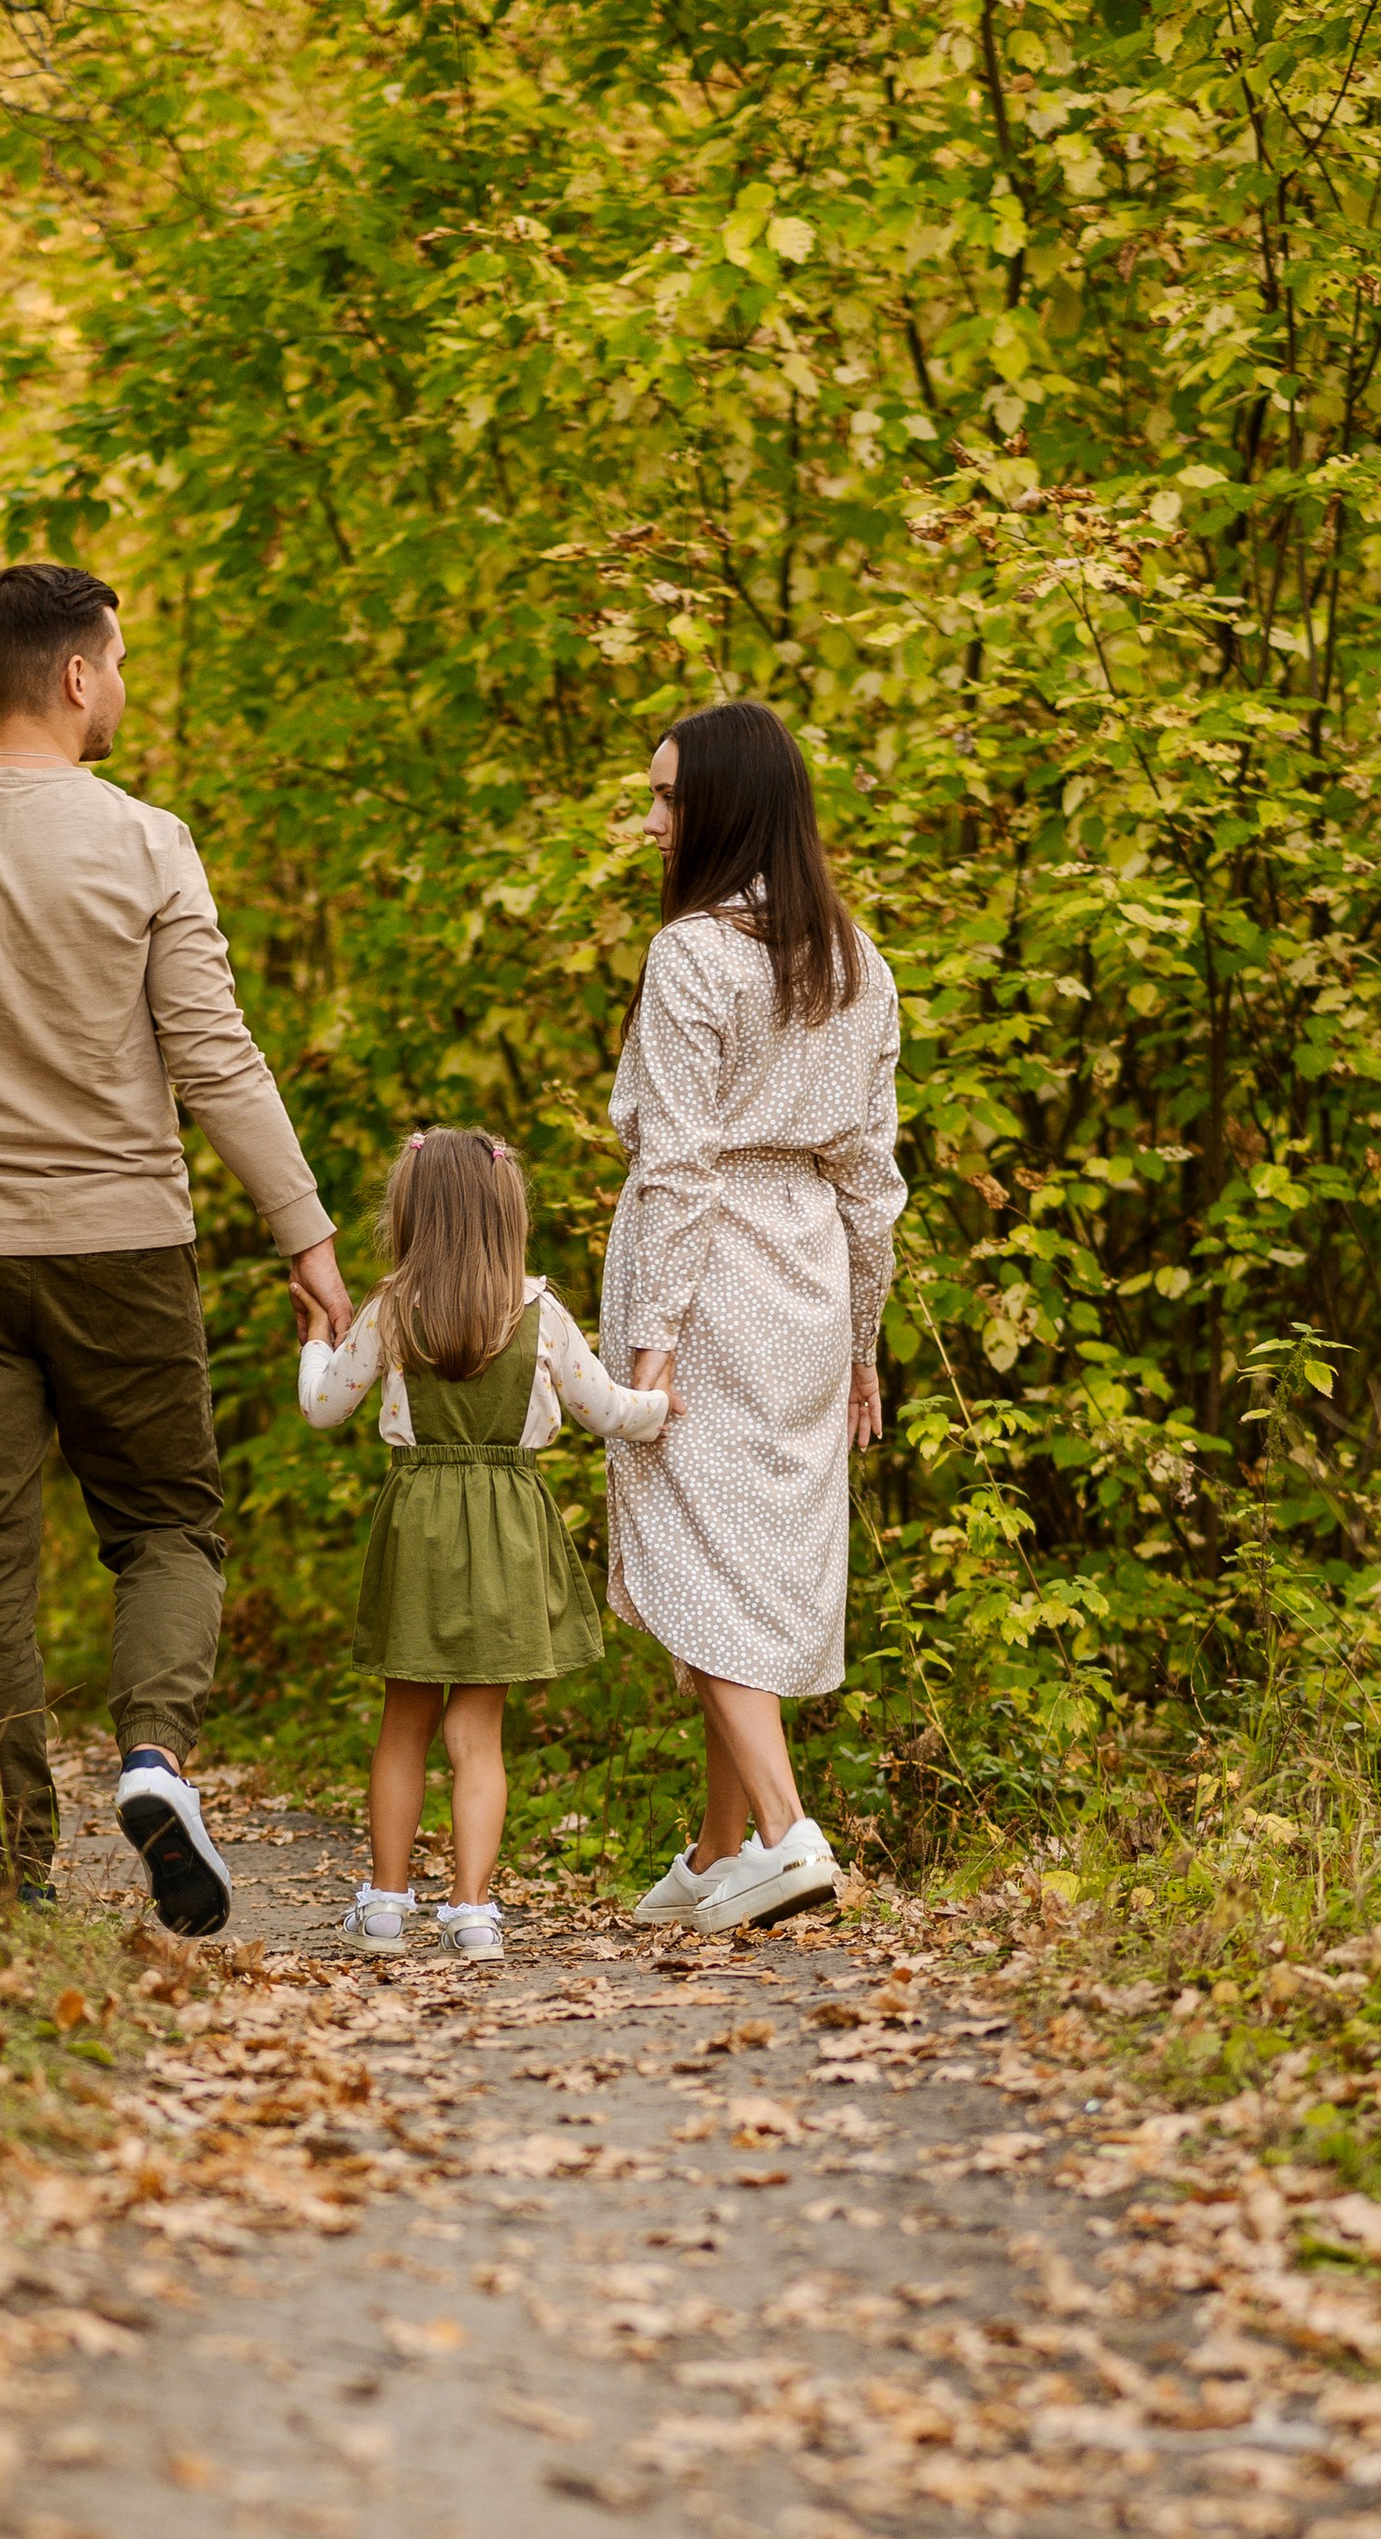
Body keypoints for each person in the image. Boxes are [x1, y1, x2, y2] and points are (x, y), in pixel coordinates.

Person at [0, 559, 351, 1932]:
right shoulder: (148, 842)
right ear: (79, 674)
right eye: (122, 662)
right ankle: (152, 1760)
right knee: (163, 1527)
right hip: (122, 1249)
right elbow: (216, 1062)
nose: (125, 688)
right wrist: (307, 1237)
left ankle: (15, 1873)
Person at [599, 697, 904, 1932]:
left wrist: (652, 1348)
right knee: (745, 1562)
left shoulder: (693, 956)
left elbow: (675, 1162)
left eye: (671, 797)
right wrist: (861, 1342)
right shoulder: (856, 958)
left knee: (688, 1546)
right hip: (811, 1277)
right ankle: (716, 1850)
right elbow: (873, 1178)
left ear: (726, 805)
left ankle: (786, 1832)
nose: (654, 821)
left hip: (711, 1272)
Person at [299, 1127, 673, 1963]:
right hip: (507, 1528)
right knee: (478, 1735)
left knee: (405, 1723)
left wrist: (317, 1339)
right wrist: (660, 1404)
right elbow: (608, 1411)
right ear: (507, 1214)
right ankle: (472, 1912)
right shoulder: (540, 1311)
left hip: (419, 1526)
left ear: (410, 1216)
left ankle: (388, 1905)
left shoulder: (392, 1306)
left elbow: (324, 1407)